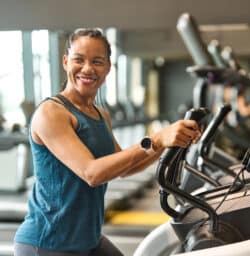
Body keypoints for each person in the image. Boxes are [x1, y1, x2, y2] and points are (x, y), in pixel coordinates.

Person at [14, 28, 201, 256]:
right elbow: (92, 174)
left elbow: (126, 167)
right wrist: (157, 138)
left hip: (88, 239)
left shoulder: (101, 114)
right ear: (65, 62)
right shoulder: (52, 113)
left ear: (108, 68)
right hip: (48, 243)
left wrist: (169, 142)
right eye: (78, 60)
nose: (88, 69)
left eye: (97, 61)